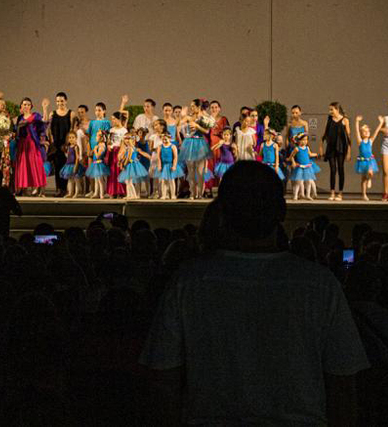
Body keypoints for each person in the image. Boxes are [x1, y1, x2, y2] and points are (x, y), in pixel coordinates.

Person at [140, 161, 369, 425]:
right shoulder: (319, 285)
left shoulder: (189, 282)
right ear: (282, 210)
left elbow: (163, 380)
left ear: (222, 211)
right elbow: (342, 386)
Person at [13, 98, 47, 196]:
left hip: (32, 143)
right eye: (24, 104)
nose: (26, 106)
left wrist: (44, 108)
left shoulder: (35, 115)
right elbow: (16, 130)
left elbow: (44, 121)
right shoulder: (19, 118)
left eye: (28, 104)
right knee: (23, 165)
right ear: (21, 106)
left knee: (34, 164)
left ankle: (36, 186)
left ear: (31, 106)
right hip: (22, 144)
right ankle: (23, 188)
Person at [321, 102, 351, 201]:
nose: (330, 112)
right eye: (329, 110)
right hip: (331, 148)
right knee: (333, 170)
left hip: (341, 148)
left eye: (332, 109)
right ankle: (332, 192)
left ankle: (340, 193)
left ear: (337, 109)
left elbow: (348, 137)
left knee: (341, 169)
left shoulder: (345, 120)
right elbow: (324, 134)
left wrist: (349, 151)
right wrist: (321, 147)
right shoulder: (329, 120)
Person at [47, 92, 73, 195]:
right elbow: (49, 129)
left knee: (66, 166)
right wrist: (51, 142)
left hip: (66, 144)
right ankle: (59, 189)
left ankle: (66, 189)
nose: (59, 103)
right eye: (58, 101)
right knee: (58, 167)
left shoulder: (71, 113)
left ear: (66, 101)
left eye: (61, 101)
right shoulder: (52, 114)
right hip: (56, 144)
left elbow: (72, 129)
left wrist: (69, 144)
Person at [289, 133, 321, 200]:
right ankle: (295, 195)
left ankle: (308, 195)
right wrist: (293, 162)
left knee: (308, 181)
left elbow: (310, 154)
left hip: (307, 167)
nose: (305, 141)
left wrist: (316, 154)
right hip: (300, 167)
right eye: (303, 140)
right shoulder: (297, 149)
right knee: (298, 182)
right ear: (299, 141)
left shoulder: (307, 148)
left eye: (306, 140)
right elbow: (291, 156)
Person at [354, 115, 379, 201]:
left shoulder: (370, 141)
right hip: (362, 162)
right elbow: (356, 132)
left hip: (370, 161)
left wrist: (381, 123)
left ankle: (370, 179)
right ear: (362, 134)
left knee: (370, 172)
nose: (366, 133)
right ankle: (364, 194)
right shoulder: (360, 142)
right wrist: (357, 122)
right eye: (364, 132)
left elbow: (376, 132)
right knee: (363, 179)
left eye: (368, 132)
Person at [154, 132, 183, 199]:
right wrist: (159, 165)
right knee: (163, 181)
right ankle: (164, 195)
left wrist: (174, 165)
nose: (164, 141)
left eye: (166, 139)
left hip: (170, 165)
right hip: (163, 166)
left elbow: (175, 157)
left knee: (171, 180)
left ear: (170, 139)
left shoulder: (173, 146)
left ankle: (173, 194)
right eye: (163, 139)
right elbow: (158, 157)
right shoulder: (160, 147)